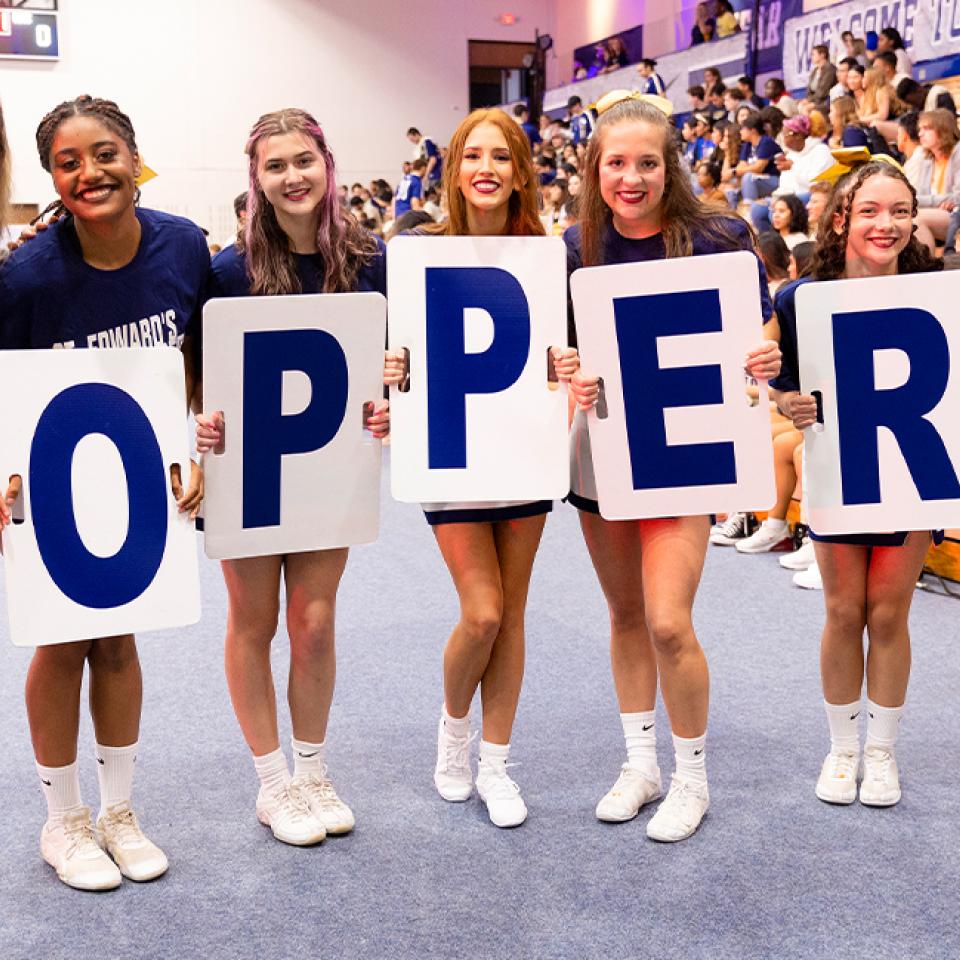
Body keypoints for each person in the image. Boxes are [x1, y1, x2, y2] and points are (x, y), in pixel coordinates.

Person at [0, 95, 206, 891]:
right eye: (68, 162)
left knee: (119, 639)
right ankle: (63, 820)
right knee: (62, 641)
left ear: (135, 157)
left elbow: (201, 360)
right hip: (50, 475)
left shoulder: (184, 246)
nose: (89, 172)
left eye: (105, 153)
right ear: (51, 178)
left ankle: (118, 811)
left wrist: (195, 447)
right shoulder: (25, 278)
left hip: (138, 475)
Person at [565, 90, 781, 842]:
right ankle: (641, 764)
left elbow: (760, 328)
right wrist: (569, 373)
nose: (631, 179)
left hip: (686, 452)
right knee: (625, 616)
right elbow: (561, 351)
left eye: (647, 164)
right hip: (603, 451)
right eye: (616, 164)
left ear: (671, 167)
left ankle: (691, 776)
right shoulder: (576, 245)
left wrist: (764, 354)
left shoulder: (719, 235)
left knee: (668, 620)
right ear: (595, 169)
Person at [195, 108, 391, 849]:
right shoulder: (228, 270)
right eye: (275, 166)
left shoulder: (368, 260)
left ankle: (312, 770)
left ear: (327, 163)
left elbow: (393, 363)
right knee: (254, 622)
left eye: (303, 160)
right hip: (249, 471)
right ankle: (273, 781)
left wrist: (389, 402)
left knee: (314, 621)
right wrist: (202, 422)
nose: (292, 177)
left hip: (327, 468)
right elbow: (200, 373)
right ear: (257, 178)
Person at [404, 108, 578, 830]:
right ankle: (454, 733)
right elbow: (396, 350)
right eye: (473, 155)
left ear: (521, 173)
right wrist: (393, 366)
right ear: (454, 169)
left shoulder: (548, 256)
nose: (486, 169)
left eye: (501, 157)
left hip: (524, 448)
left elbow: (563, 355)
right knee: (483, 613)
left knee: (513, 613)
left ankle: (497, 763)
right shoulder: (416, 251)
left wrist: (568, 366)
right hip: (451, 450)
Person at [770, 159, 941, 809]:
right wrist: (786, 402)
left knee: (890, 613)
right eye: (870, 210)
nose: (885, 224)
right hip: (839, 469)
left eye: (900, 211)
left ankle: (881, 751)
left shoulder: (937, 294)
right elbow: (776, 381)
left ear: (915, 220)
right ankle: (843, 749)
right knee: (843, 612)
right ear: (842, 217)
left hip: (914, 470)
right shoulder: (801, 299)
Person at [750, 115, 833, 232]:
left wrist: (793, 167)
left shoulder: (821, 151)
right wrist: (775, 198)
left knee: (776, 212)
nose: (783, 139)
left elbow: (816, 184)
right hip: (789, 196)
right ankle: (771, 241)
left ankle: (789, 240)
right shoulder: (791, 154)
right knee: (758, 209)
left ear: (798, 135)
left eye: (785, 134)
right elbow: (785, 185)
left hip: (809, 195)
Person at [912, 108, 960, 243]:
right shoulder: (927, 159)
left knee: (916, 219)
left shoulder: (958, 153)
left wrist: (920, 200)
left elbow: (957, 197)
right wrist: (935, 203)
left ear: (943, 130)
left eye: (926, 128)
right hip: (939, 212)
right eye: (920, 129)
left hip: (955, 214)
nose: (920, 134)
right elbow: (921, 195)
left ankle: (926, 257)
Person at [737, 112, 782, 202]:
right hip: (759, 178)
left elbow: (758, 168)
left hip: (774, 179)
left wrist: (746, 170)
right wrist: (749, 170)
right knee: (732, 192)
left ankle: (749, 207)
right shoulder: (747, 145)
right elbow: (740, 168)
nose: (740, 132)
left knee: (748, 177)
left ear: (752, 130)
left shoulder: (766, 142)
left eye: (743, 129)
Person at [806, 45, 838, 115]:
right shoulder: (815, 70)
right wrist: (808, 100)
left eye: (813, 54)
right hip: (815, 100)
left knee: (805, 108)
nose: (811, 57)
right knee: (799, 105)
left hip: (825, 102)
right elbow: (809, 89)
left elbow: (822, 91)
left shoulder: (830, 69)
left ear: (822, 55)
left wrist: (810, 101)